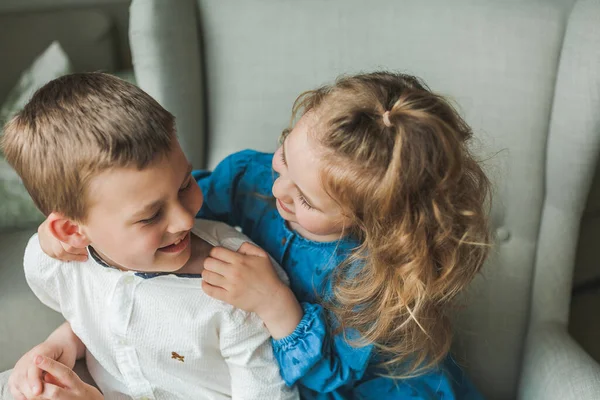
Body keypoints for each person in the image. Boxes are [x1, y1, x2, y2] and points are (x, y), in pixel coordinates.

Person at [40, 72, 491, 399]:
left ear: (375, 221)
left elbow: (330, 380)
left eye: (308, 201)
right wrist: (90, 223)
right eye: (284, 158)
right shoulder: (254, 179)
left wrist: (277, 308)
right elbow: (173, 200)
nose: (278, 191)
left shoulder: (373, 277)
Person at [0, 73, 298, 400]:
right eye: (151, 215)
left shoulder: (236, 288)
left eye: (185, 184)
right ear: (72, 231)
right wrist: (62, 343)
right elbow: (102, 314)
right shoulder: (55, 263)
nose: (185, 219)